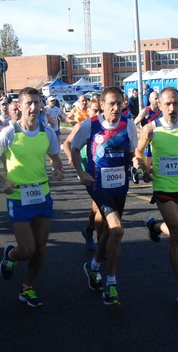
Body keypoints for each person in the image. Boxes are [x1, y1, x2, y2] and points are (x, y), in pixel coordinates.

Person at [0, 87, 64, 307]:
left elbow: (55, 158)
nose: (34, 107)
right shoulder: (9, 133)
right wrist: (3, 180)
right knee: (27, 249)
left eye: (37, 102)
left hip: (42, 195)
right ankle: (10, 255)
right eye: (29, 103)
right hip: (19, 198)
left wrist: (58, 169)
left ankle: (27, 287)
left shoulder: (46, 132)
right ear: (19, 106)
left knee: (41, 248)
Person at [133, 87, 178, 305]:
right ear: (160, 105)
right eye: (168, 104)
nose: (172, 108)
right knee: (176, 232)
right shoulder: (151, 128)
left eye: (176, 103)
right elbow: (138, 151)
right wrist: (144, 169)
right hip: (163, 188)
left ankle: (155, 227)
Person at [70, 87, 137, 305]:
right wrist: (81, 173)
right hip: (98, 184)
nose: (116, 108)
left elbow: (130, 153)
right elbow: (73, 147)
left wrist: (136, 164)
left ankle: (93, 266)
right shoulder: (91, 124)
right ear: (102, 103)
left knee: (110, 232)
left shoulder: (128, 125)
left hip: (120, 184)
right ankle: (111, 283)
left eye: (119, 103)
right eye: (111, 104)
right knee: (117, 229)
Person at [62, 100, 102, 252]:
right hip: (86, 169)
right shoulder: (82, 126)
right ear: (89, 112)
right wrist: (71, 157)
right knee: (99, 204)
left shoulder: (105, 126)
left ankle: (89, 230)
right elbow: (67, 144)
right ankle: (101, 240)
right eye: (94, 111)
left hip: (102, 170)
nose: (97, 114)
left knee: (97, 205)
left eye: (99, 110)